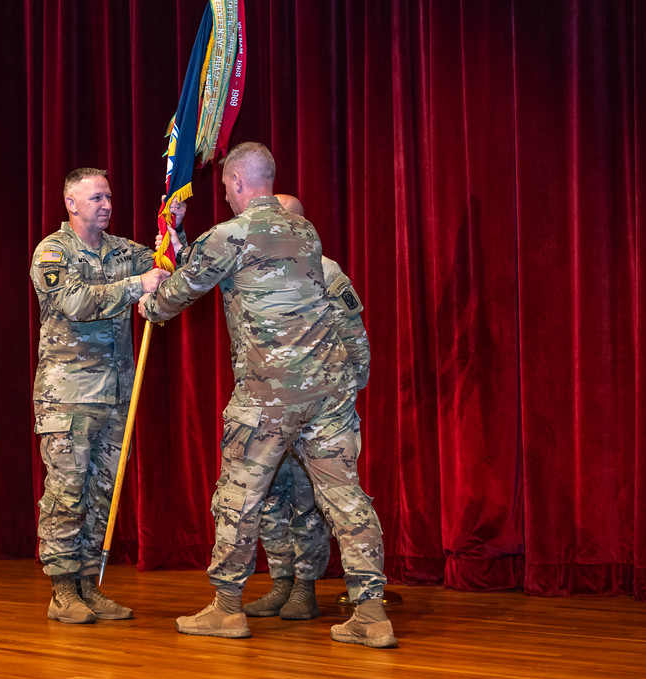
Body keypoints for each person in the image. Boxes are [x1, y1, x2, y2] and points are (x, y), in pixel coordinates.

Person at [139, 143, 395, 647]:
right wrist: (181, 242)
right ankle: (371, 614)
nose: (225, 196)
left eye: (225, 187)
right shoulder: (305, 232)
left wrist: (150, 301)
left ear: (236, 182)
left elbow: (177, 293)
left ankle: (226, 609)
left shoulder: (230, 234)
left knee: (238, 499)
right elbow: (232, 268)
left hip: (267, 396)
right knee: (347, 499)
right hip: (327, 390)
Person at [31, 167, 183, 624]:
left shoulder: (121, 250)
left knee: (102, 495)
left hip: (116, 396)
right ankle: (62, 591)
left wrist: (173, 233)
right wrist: (137, 285)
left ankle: (88, 586)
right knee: (67, 495)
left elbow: (166, 267)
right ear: (71, 203)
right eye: (96, 198)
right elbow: (74, 303)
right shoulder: (53, 251)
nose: (107, 205)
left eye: (109, 197)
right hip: (69, 397)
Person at [241, 194, 371, 623]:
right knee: (269, 501)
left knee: (307, 502)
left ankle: (304, 588)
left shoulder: (326, 271)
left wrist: (343, 395)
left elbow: (355, 338)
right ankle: (281, 581)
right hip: (266, 407)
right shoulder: (255, 268)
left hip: (315, 408)